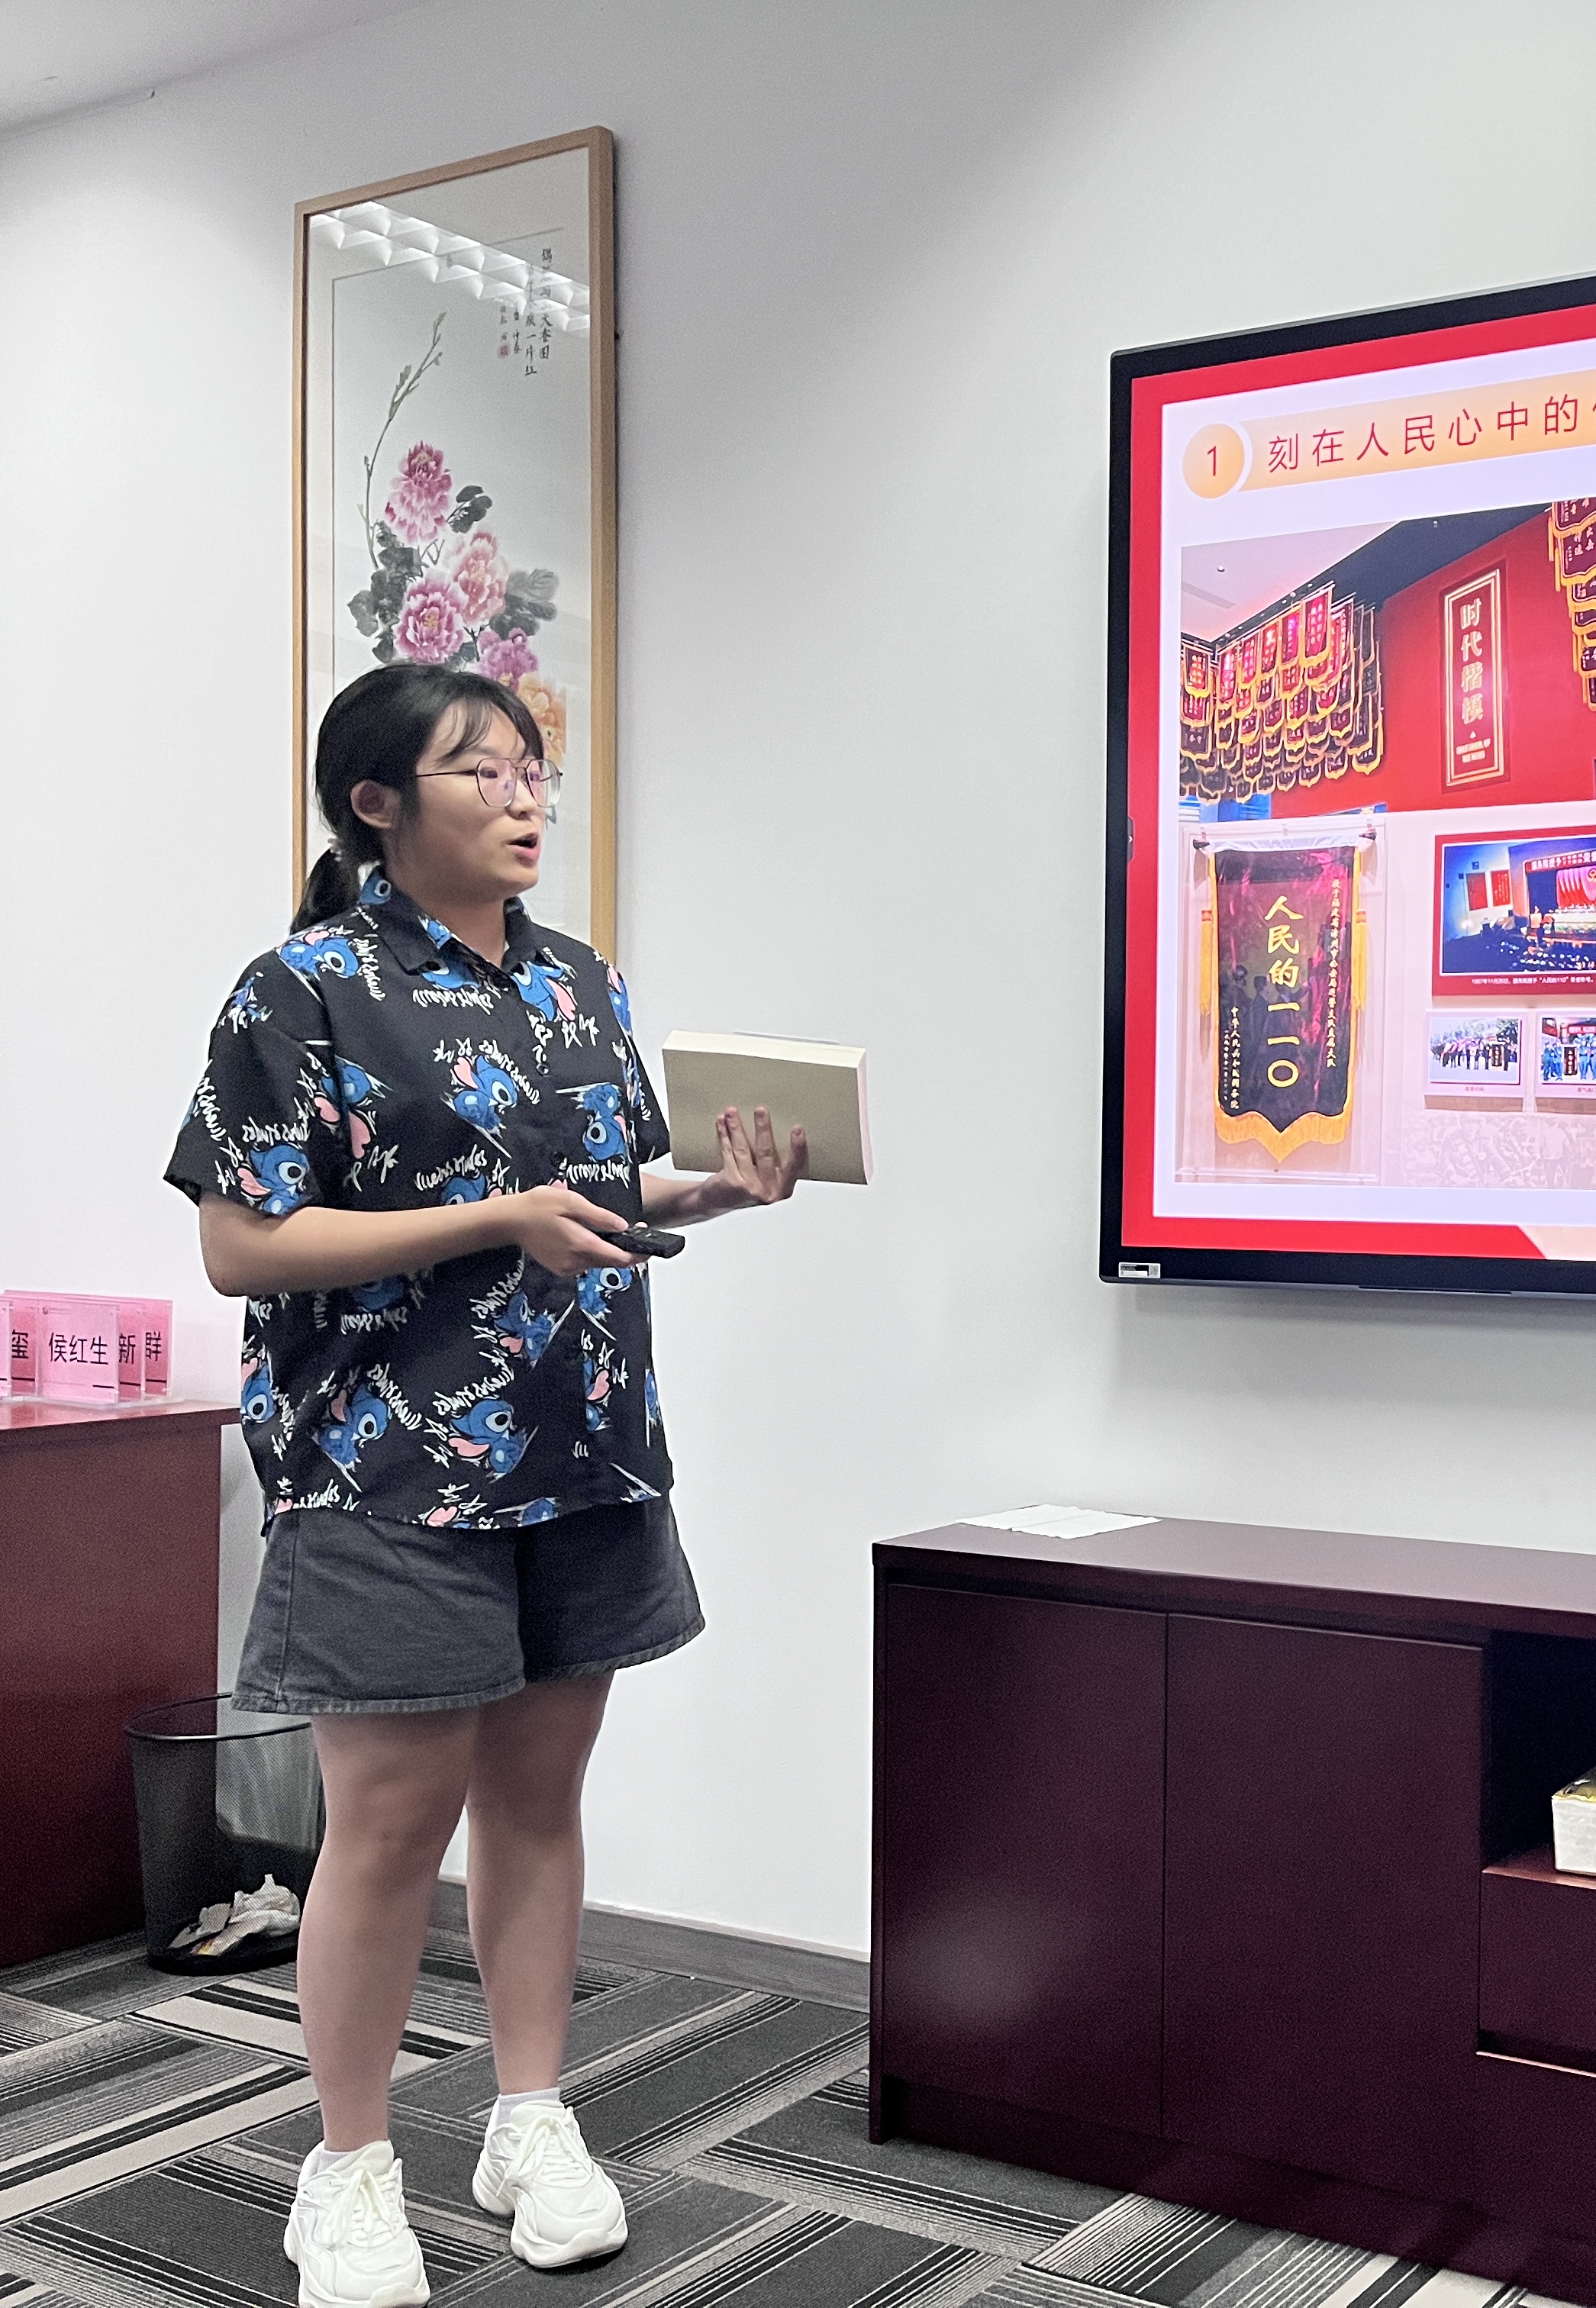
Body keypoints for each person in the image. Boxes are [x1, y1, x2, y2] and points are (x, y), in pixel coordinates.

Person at [166, 664, 808, 2308]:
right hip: (382, 1468)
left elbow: (604, 1190)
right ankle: (347, 2167)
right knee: (389, 1827)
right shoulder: (301, 989)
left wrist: (717, 1192)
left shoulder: (581, 982)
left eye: (532, 769)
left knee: (539, 1799)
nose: (526, 798)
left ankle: (531, 2118)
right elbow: (243, 1242)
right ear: (376, 804)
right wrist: (492, 1220)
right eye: (482, 771)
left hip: (582, 1449)